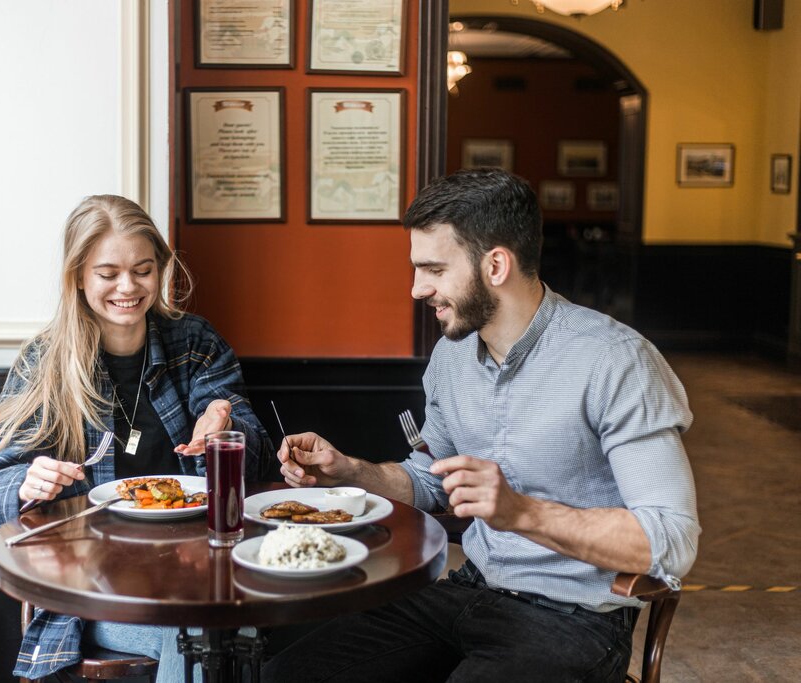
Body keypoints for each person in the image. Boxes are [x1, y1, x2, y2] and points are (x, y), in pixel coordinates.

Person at [263, 169, 700, 682]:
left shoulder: (617, 361)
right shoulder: (451, 358)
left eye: (433, 269)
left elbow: (671, 541)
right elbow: (429, 480)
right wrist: (352, 472)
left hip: (574, 620)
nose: (416, 288)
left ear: (495, 264)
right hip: (470, 590)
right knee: (286, 676)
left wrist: (519, 511)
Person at [0, 194, 274, 683]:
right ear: (78, 276)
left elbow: (255, 458)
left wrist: (227, 431)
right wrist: (28, 481)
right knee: (208, 633)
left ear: (160, 270)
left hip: (200, 571)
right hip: (91, 589)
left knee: (210, 624)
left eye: (143, 269)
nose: (128, 287)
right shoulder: (45, 362)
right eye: (108, 273)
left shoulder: (195, 342)